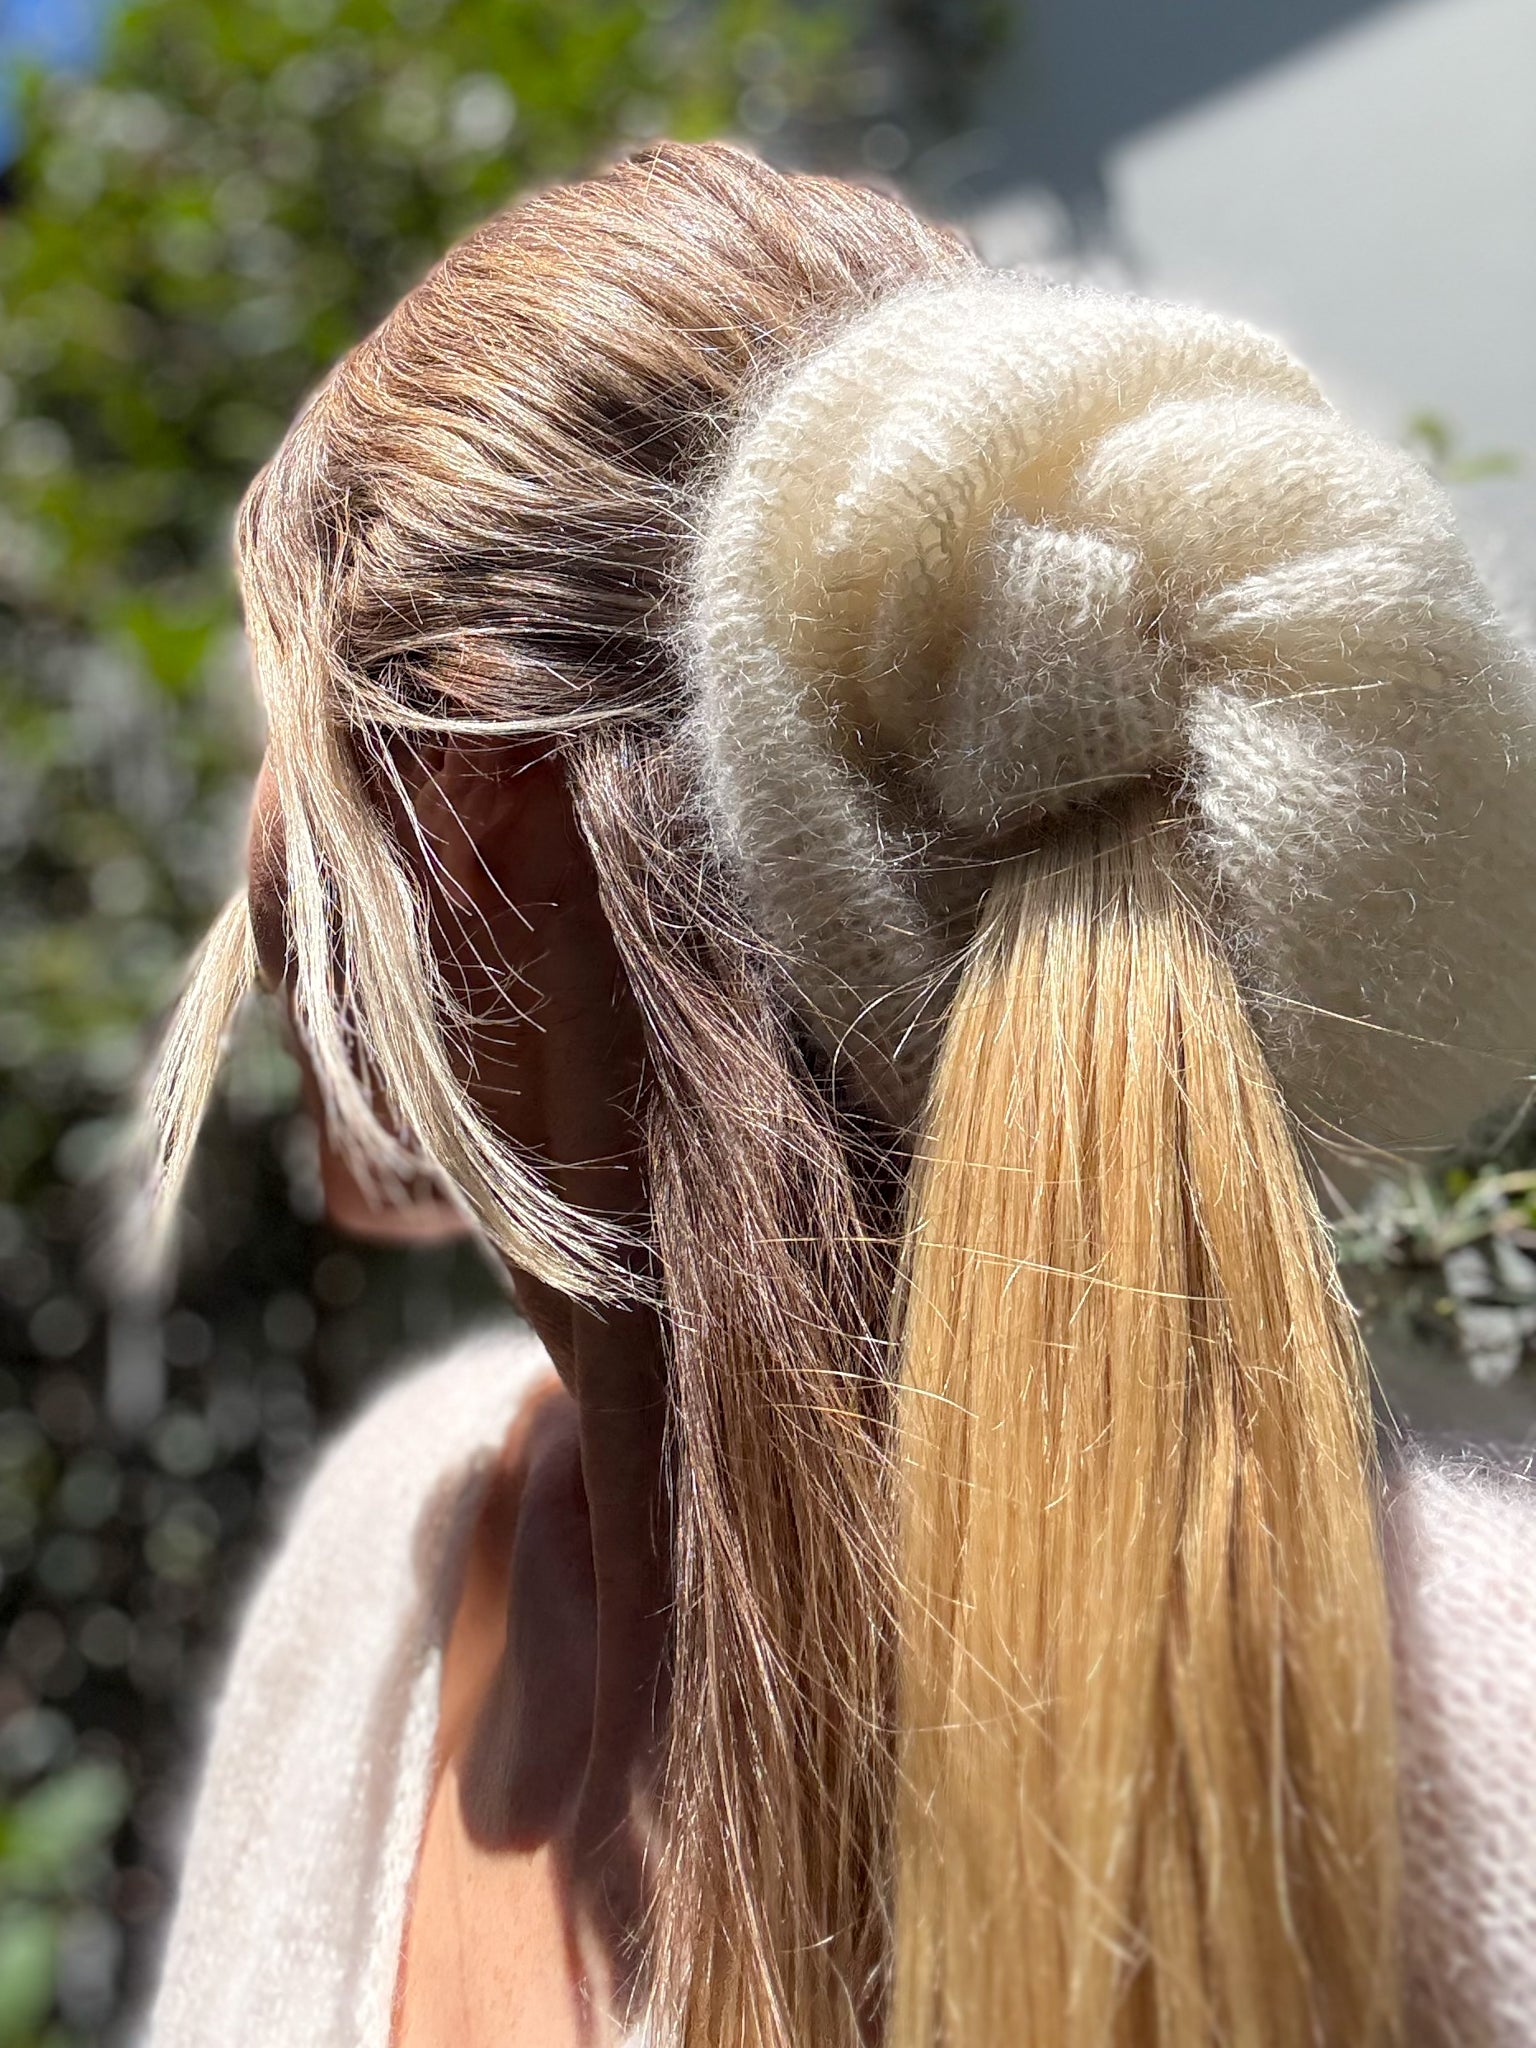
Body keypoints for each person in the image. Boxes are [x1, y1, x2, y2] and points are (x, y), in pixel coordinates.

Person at [135, 141, 1536, 2048]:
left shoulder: (1482, 1740)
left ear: (470, 834)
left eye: (275, 732)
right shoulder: (391, 1545)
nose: (250, 856)